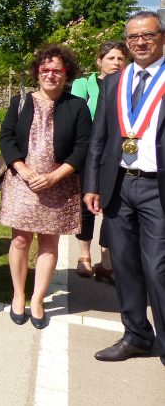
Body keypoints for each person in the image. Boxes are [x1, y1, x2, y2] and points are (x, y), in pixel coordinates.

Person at [84, 11, 165, 367]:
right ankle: (136, 335)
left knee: (157, 268)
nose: (139, 42)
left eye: (147, 35)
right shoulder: (114, 82)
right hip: (119, 185)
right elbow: (99, 138)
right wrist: (92, 185)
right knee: (125, 265)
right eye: (132, 37)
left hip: (157, 188)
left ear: (161, 37)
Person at [0, 45, 91, 329]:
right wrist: (25, 171)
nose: (51, 75)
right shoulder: (20, 102)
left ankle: (37, 299)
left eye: (57, 71)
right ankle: (18, 295)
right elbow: (6, 139)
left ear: (67, 74)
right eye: (45, 69)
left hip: (59, 185)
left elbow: (82, 147)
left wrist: (54, 177)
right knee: (20, 241)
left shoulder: (76, 106)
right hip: (22, 183)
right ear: (37, 72)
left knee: (49, 242)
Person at [70, 41, 128, 282]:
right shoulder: (84, 84)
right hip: (89, 154)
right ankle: (84, 256)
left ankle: (106, 260)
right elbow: (75, 117)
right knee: (87, 206)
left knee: (112, 208)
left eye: (121, 59)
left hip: (116, 154)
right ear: (99, 61)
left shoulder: (127, 85)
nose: (116, 63)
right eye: (111, 58)